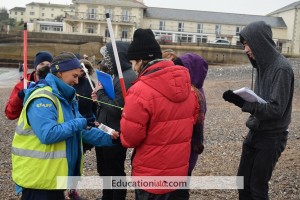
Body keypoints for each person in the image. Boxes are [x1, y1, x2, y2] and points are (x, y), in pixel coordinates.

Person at [11, 52, 119, 200]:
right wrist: (80, 122)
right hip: (39, 179)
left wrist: (113, 139)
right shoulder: (43, 97)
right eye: (74, 76)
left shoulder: (66, 97)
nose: (76, 81)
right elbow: (48, 134)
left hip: (54, 177)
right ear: (60, 73)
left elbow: (82, 130)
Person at [120, 28, 199, 199]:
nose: (132, 67)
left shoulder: (139, 91)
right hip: (178, 174)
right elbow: (192, 120)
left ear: (141, 61)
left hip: (151, 176)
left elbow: (130, 139)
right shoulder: (188, 87)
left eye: (133, 62)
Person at [222, 21, 294, 200]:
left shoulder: (281, 68)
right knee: (242, 183)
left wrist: (243, 103)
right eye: (244, 44)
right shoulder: (260, 65)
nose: (246, 49)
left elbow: (276, 110)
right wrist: (244, 100)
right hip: (255, 131)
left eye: (248, 44)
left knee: (257, 188)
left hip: (272, 136)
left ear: (260, 42)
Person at [91, 41, 137, 200]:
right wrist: (98, 98)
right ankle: (107, 196)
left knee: (114, 170)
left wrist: (101, 93)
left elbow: (119, 108)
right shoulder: (116, 76)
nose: (105, 62)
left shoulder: (128, 77)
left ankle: (116, 197)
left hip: (115, 132)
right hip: (105, 128)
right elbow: (110, 102)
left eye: (108, 58)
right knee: (104, 168)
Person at [171, 53, 208, 199]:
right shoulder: (191, 91)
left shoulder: (196, 95)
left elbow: (196, 127)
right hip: (184, 149)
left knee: (180, 188)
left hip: (187, 149)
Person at [5, 51, 53, 120]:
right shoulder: (23, 85)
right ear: (35, 67)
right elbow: (10, 114)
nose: (45, 66)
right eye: (41, 64)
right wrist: (19, 97)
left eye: (48, 64)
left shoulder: (56, 83)